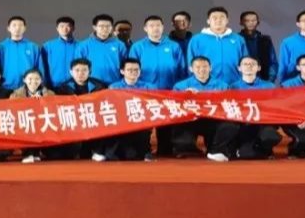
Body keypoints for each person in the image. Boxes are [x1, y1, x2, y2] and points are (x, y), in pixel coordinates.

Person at [129, 15, 185, 157]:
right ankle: (144, 150)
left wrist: (178, 89)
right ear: (145, 28)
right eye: (151, 26)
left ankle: (166, 151)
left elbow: (181, 69)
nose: (155, 29)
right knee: (144, 121)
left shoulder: (173, 46)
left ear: (163, 27)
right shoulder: (138, 47)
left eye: (158, 25)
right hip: (145, 92)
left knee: (167, 122)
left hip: (168, 90)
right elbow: (131, 69)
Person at [173, 56, 231, 161]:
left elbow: (229, 105)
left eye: (205, 66)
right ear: (191, 69)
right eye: (198, 67)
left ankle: (216, 149)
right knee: (183, 140)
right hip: (190, 120)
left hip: (213, 120)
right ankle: (185, 148)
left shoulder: (223, 86)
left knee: (229, 125)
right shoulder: (181, 86)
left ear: (210, 67)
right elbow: (174, 106)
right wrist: (184, 96)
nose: (202, 69)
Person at [96, 59, 154, 162]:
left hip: (140, 120)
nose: (133, 72)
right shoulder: (114, 87)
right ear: (122, 71)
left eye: (136, 70)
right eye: (130, 70)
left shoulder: (149, 87)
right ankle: (103, 152)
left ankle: (146, 153)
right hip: (120, 120)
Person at [223, 57, 281, 159]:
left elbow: (278, 107)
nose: (249, 66)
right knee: (246, 154)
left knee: (271, 136)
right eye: (245, 64)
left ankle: (264, 149)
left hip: (263, 123)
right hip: (242, 125)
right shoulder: (232, 88)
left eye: (252, 64)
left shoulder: (269, 87)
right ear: (239, 68)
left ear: (258, 68)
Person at [53, 58, 108, 160]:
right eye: (77, 70)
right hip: (74, 121)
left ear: (90, 72)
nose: (80, 73)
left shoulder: (99, 86)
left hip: (94, 119)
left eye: (84, 70)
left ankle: (97, 151)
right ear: (71, 72)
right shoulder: (63, 88)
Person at [187, 7, 248, 87]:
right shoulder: (197, 39)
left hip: (235, 84)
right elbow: (190, 64)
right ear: (208, 21)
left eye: (222, 17)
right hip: (206, 86)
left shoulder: (238, 39)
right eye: (214, 18)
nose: (218, 20)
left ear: (227, 20)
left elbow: (246, 62)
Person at [10, 69, 55, 163]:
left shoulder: (50, 94)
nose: (33, 81)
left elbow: (54, 110)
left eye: (37, 79)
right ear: (24, 80)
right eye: (30, 79)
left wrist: (43, 102)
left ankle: (37, 152)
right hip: (24, 123)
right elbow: (12, 110)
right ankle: (28, 153)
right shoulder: (16, 94)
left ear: (41, 80)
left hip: (43, 123)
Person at [74, 14, 129, 85]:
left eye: (108, 26)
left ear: (112, 28)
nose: (105, 29)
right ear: (94, 27)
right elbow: (78, 66)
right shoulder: (84, 45)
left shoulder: (120, 45)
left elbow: (125, 65)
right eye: (101, 26)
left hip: (114, 83)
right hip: (91, 84)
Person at [0, 16, 42, 91]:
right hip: (5, 87)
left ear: (25, 28)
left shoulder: (33, 47)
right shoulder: (0, 47)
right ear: (8, 28)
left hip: (28, 88)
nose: (17, 28)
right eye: (14, 25)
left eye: (20, 25)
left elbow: (39, 68)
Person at [238, 11, 278, 82]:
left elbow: (273, 62)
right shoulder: (236, 40)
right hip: (241, 81)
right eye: (247, 20)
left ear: (258, 22)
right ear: (241, 22)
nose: (251, 23)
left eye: (253, 20)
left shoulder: (265, 40)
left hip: (263, 79)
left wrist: (269, 81)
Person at [41, 16, 78, 89]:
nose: (65, 29)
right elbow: (42, 66)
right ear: (57, 28)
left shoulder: (80, 46)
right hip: (53, 86)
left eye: (68, 26)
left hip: (75, 87)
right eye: (62, 26)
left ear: (73, 28)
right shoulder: (48, 46)